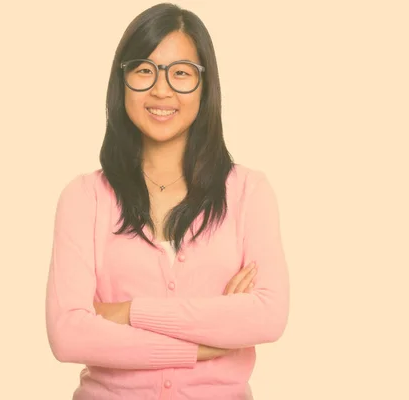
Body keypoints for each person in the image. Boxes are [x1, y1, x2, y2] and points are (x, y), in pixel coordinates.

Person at [44, 3, 290, 399]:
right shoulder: (83, 197)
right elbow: (69, 336)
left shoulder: (249, 192)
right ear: (121, 82)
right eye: (144, 70)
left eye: (181, 73)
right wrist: (202, 343)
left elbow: (268, 316)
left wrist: (127, 313)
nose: (161, 90)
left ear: (205, 86)